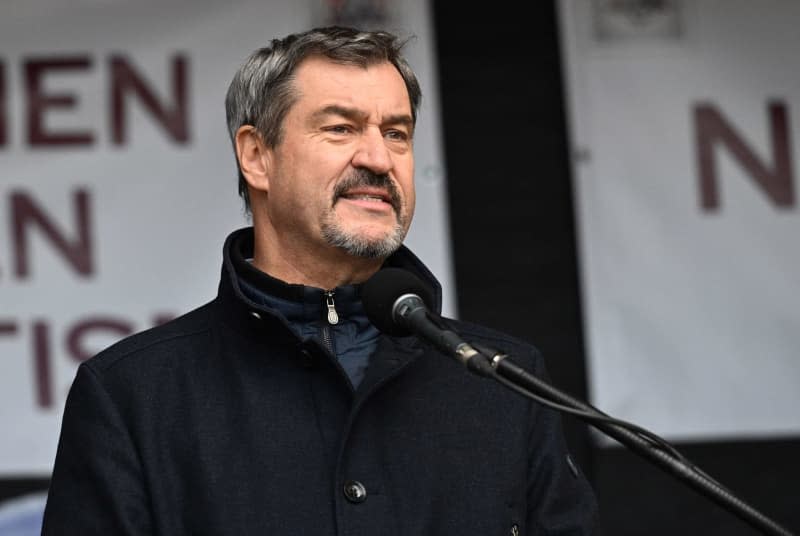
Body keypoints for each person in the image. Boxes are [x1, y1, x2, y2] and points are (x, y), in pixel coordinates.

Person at [41, 26, 598, 535]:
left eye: (397, 133)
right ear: (257, 156)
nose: (379, 158)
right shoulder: (132, 394)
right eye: (341, 128)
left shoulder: (504, 380)